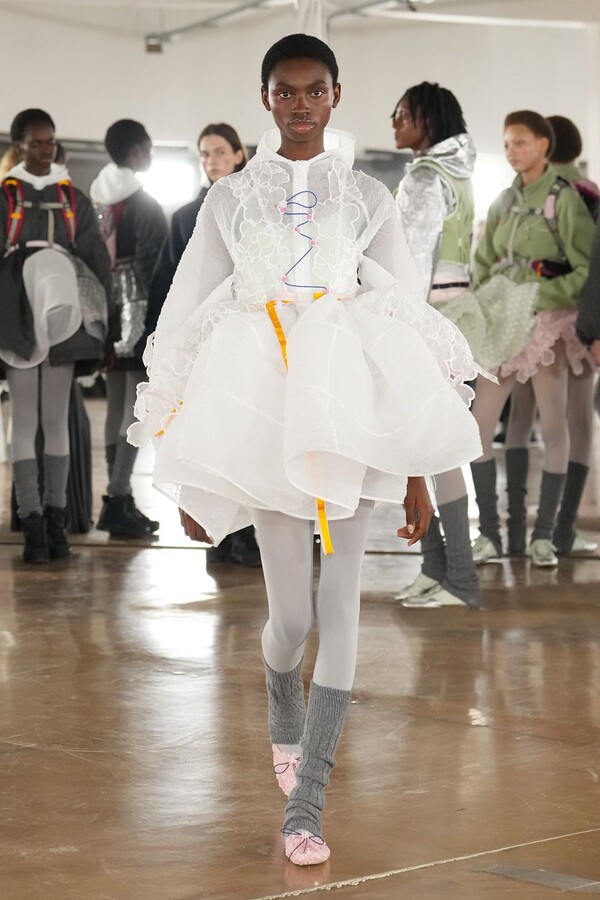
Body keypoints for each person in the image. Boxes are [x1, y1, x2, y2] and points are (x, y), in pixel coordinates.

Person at [128, 34, 483, 866]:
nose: (300, 103)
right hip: (264, 408)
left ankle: (308, 800)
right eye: (284, 91)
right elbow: (189, 315)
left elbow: (402, 313)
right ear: (265, 98)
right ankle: (280, 696)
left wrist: (418, 471)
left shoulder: (367, 196)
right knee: (290, 615)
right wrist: (188, 462)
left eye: (314, 89)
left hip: (349, 399)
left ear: (335, 95)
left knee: (342, 598)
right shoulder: (229, 199)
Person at [467, 111, 594, 568]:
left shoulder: (566, 199)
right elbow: (483, 263)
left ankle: (545, 536)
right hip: (504, 321)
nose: (511, 151)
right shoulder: (503, 200)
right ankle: (493, 533)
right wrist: (491, 299)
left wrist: (542, 295)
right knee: (479, 426)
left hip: (546, 323)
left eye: (520, 142)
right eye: (506, 144)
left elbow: (585, 269)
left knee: (554, 425)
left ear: (544, 144)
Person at [146, 123, 260, 566]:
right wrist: (160, 341)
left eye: (219, 152)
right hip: (201, 339)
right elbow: (168, 283)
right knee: (209, 432)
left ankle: (248, 531)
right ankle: (217, 529)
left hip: (250, 334)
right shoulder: (184, 217)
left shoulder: (258, 206)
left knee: (248, 429)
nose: (212, 161)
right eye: (205, 154)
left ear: (238, 154)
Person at [0, 108, 111, 562]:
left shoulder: (72, 197)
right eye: (36, 142)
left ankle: (55, 519)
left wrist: (105, 325)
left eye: (50, 141)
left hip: (63, 307)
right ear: (19, 146)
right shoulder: (6, 195)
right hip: (16, 309)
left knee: (56, 418)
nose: (46, 149)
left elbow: (96, 259)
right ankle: (32, 523)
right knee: (24, 418)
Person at [391, 82, 480, 609]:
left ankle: (459, 578)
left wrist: (402, 326)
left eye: (403, 114)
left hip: (427, 317)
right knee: (428, 446)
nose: (394, 122)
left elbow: (411, 263)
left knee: (434, 448)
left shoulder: (426, 178)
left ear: (428, 119)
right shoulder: (460, 172)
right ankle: (437, 568)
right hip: (457, 311)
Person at [504, 116, 599, 557]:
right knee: (575, 422)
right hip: (572, 319)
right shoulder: (584, 191)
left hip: (527, 317)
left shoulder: (531, 191)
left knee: (523, 420)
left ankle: (519, 533)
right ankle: (559, 530)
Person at [90, 119, 168, 539]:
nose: (151, 154)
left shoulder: (95, 197)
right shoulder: (145, 204)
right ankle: (118, 498)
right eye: (149, 147)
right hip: (137, 314)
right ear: (136, 151)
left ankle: (114, 495)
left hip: (103, 311)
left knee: (114, 405)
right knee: (132, 409)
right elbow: (155, 267)